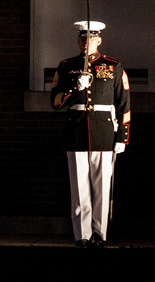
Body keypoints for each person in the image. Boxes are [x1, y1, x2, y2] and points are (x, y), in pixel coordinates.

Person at [50, 20, 130, 248]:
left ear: (99, 40)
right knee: (79, 188)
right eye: (83, 38)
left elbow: (123, 102)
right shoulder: (66, 66)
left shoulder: (113, 65)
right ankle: (82, 235)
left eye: (92, 38)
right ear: (78, 40)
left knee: (102, 187)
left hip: (104, 132)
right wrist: (76, 87)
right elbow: (55, 102)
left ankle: (100, 234)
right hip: (76, 131)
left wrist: (122, 137)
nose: (87, 42)